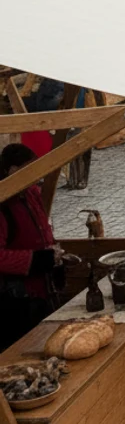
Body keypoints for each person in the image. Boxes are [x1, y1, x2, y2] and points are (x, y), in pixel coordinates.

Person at [0, 144, 64, 351]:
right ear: (13, 171)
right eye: (30, 169)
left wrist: (54, 257)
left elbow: (42, 228)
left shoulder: (31, 193)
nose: (35, 176)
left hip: (42, 290)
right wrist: (38, 259)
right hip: (18, 300)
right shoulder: (3, 204)